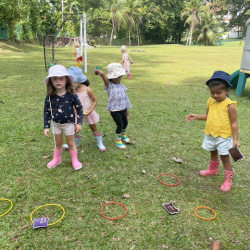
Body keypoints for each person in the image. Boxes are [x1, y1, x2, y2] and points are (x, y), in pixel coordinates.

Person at [186, 71, 240, 192]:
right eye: (212, 92)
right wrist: (196, 116)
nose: (215, 95)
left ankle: (228, 180)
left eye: (219, 93)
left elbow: (234, 123)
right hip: (211, 133)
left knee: (225, 157)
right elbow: (207, 116)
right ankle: (213, 170)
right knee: (213, 152)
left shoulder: (230, 105)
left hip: (224, 136)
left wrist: (235, 139)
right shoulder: (211, 101)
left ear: (227, 91)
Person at [44, 65, 84, 170]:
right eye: (55, 78)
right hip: (56, 124)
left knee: (71, 143)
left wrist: (78, 123)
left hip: (69, 124)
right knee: (58, 143)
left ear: (66, 79)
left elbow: (79, 108)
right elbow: (47, 111)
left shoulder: (72, 94)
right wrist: (46, 126)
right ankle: (57, 159)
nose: (58, 81)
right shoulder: (49, 96)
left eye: (61, 78)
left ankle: (75, 160)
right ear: (50, 81)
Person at [63, 66, 106, 151]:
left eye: (72, 82)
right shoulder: (72, 90)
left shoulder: (87, 90)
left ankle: (100, 143)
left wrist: (90, 111)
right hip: (76, 113)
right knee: (75, 128)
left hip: (88, 112)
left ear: (78, 80)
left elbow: (95, 101)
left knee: (93, 127)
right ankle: (74, 143)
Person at [94, 63, 132, 149]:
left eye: (119, 76)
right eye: (116, 76)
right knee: (120, 125)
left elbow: (125, 98)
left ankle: (123, 135)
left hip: (122, 108)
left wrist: (126, 109)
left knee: (125, 123)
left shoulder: (122, 86)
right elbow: (103, 74)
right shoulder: (109, 86)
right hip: (115, 110)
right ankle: (117, 141)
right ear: (111, 77)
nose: (118, 79)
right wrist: (97, 71)